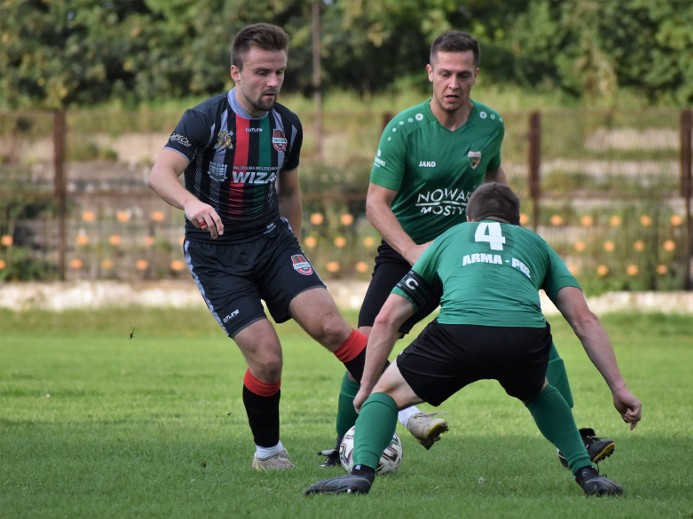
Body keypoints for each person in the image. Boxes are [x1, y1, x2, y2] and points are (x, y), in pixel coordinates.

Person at [321, 30, 614, 468]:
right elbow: (375, 205)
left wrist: (515, 242)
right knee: (364, 344)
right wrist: (413, 252)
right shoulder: (403, 128)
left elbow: (497, 186)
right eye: (444, 74)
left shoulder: (491, 125)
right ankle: (345, 444)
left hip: (474, 257)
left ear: (476, 75)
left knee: (535, 332)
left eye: (462, 74)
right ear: (429, 74)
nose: (453, 84)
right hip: (410, 254)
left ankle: (574, 437)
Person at [305, 183, 642, 497]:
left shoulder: (451, 237)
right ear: (517, 222)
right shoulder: (536, 243)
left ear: (469, 218)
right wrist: (618, 387)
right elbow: (584, 320)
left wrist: (365, 388)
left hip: (458, 334)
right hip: (524, 338)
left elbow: (386, 318)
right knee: (539, 391)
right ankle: (588, 474)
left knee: (385, 394)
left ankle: (360, 474)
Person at [148, 23, 377, 471]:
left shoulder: (287, 125)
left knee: (331, 326)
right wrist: (192, 204)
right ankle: (268, 453)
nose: (272, 82)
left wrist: (296, 245)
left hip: (272, 241)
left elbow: (289, 190)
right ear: (236, 72)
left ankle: (402, 408)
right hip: (217, 255)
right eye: (260, 72)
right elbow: (160, 174)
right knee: (268, 359)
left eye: (279, 72)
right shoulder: (205, 119)